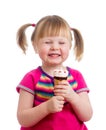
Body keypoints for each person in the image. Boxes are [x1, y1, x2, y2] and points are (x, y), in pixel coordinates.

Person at [16, 15, 93, 130]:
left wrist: (73, 97)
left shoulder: (76, 77)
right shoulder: (31, 78)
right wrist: (46, 107)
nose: (55, 47)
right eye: (47, 42)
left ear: (70, 46)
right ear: (35, 46)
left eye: (61, 43)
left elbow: (87, 115)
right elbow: (23, 119)